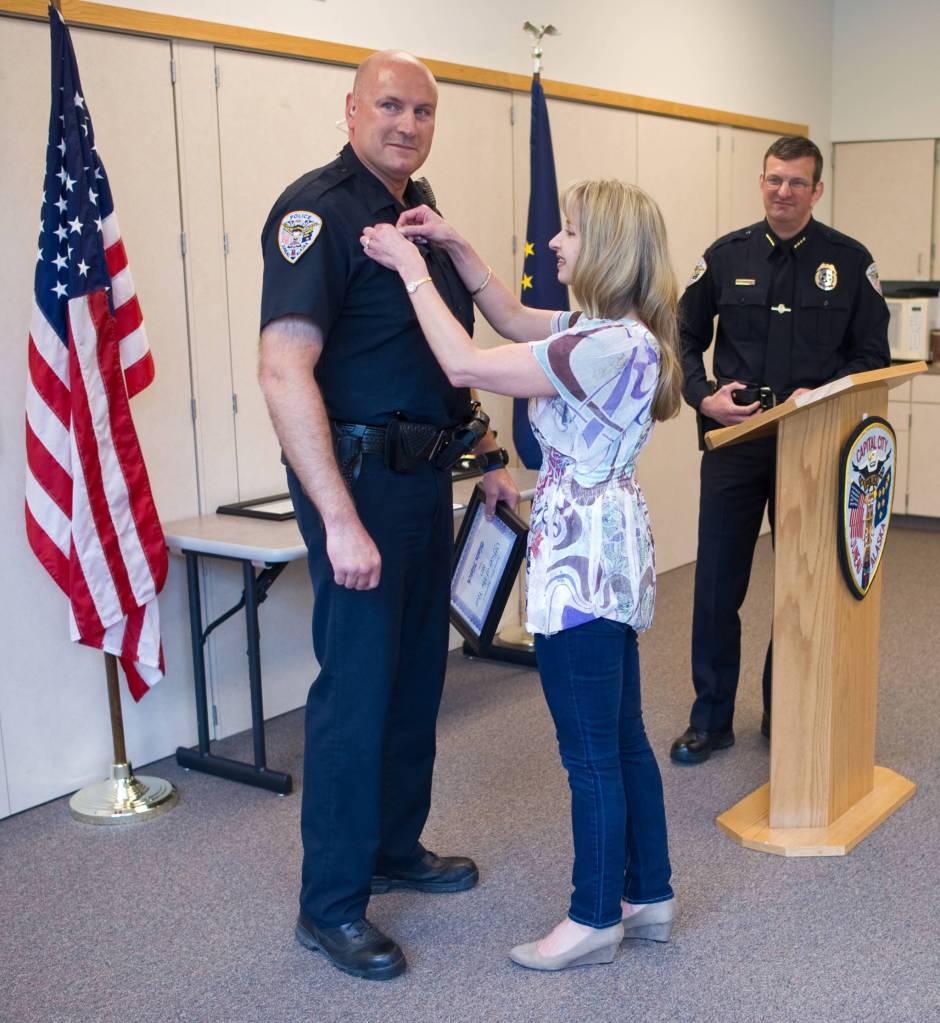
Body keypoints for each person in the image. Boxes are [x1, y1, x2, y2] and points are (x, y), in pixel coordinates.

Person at [361, 178, 681, 972]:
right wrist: (454, 245)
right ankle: (651, 893)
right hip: (607, 546)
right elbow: (507, 317)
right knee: (624, 737)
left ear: (604, 246)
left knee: (590, 753)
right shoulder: (611, 330)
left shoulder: (600, 345)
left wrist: (409, 268)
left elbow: (468, 360)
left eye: (569, 232)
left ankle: (594, 914)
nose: (556, 245)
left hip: (581, 558)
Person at [257, 50, 519, 981]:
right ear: (352, 108)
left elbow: (438, 359)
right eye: (390, 106)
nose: (406, 124)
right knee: (354, 697)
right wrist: (337, 518)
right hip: (358, 482)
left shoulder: (418, 213)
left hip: (423, 481)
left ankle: (393, 846)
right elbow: (285, 371)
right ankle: (328, 904)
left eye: (422, 111)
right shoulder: (314, 212)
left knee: (416, 682)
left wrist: (485, 457)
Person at [669, 135, 891, 765]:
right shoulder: (724, 256)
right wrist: (702, 395)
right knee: (716, 585)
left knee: (800, 581)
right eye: (773, 179)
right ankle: (709, 719)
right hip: (736, 440)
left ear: (817, 190)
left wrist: (817, 398)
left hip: (810, 442)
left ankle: (783, 705)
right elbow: (682, 336)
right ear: (760, 182)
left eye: (797, 182)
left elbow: (872, 355)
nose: (783, 192)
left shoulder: (849, 262)